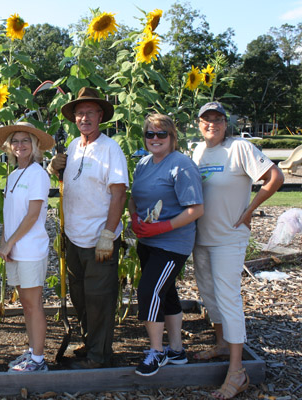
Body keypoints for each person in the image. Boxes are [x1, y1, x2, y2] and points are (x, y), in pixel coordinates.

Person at [192, 101, 284, 399]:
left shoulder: (239, 149)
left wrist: (250, 210)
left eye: (218, 119)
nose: (212, 124)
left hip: (228, 238)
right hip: (201, 237)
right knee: (209, 294)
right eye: (207, 119)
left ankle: (237, 370)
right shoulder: (198, 151)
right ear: (199, 123)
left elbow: (275, 178)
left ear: (225, 123)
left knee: (228, 297)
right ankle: (221, 344)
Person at [47, 87, 128, 369]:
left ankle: (99, 357)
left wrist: (108, 233)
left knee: (99, 299)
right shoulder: (72, 146)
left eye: (90, 112)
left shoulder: (111, 149)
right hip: (73, 238)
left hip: (99, 240)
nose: (84, 118)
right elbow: (66, 181)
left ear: (101, 115)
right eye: (80, 113)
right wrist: (52, 168)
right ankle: (90, 342)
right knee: (80, 296)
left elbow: (119, 194)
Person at [128, 114, 204, 376]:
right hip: (147, 241)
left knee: (149, 292)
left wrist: (162, 226)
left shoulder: (181, 165)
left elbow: (195, 209)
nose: (155, 139)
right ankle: (176, 350)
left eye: (162, 134)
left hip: (172, 244)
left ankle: (156, 352)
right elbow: (133, 197)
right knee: (166, 294)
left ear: (173, 137)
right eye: (150, 134)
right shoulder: (144, 164)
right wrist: (134, 218)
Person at [0, 121, 55, 373]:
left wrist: (10, 243)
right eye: (15, 141)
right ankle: (32, 352)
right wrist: (3, 243)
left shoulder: (38, 174)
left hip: (30, 249)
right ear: (9, 146)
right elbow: (10, 214)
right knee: (25, 304)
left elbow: (32, 215)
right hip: (15, 249)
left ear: (35, 145)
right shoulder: (14, 175)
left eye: (25, 140)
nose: (20, 145)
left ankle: (38, 360)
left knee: (32, 304)